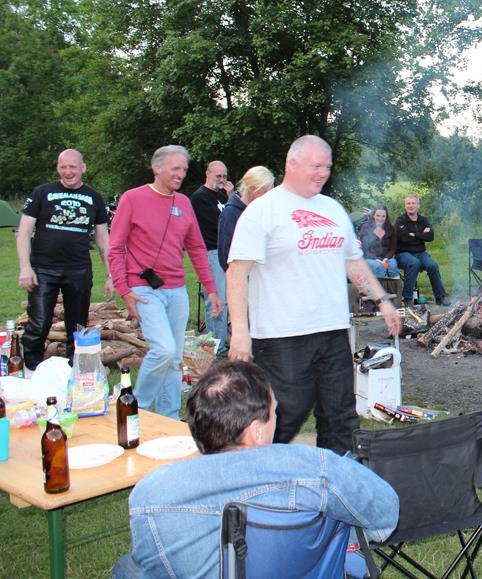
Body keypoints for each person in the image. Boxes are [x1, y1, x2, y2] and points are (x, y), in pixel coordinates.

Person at [115, 361, 399, 578]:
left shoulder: (149, 496)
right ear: (256, 431)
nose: (277, 419)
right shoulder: (314, 468)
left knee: (127, 568)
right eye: (274, 413)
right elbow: (385, 514)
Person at [227, 135, 401, 456]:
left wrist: (383, 301)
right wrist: (239, 331)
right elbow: (237, 271)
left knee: (340, 414)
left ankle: (338, 475)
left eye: (328, 167)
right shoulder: (263, 210)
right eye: (316, 166)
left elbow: (353, 262)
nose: (323, 173)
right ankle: (253, 469)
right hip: (281, 335)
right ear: (291, 164)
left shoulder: (332, 209)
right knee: (283, 415)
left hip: (332, 330)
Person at [109, 145, 221, 418]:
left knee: (174, 358)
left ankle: (169, 416)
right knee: (163, 350)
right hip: (143, 288)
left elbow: (196, 248)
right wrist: (124, 290)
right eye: (175, 168)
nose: (181, 174)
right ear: (157, 168)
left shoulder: (183, 203)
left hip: (176, 289)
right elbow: (115, 248)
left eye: (184, 169)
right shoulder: (132, 198)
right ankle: (137, 409)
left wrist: (211, 289)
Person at [16, 149, 112, 370]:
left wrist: (111, 274)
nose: (68, 172)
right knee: (38, 324)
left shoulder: (94, 197)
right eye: (63, 167)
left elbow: (103, 238)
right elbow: (23, 232)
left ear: (83, 168)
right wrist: (24, 267)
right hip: (43, 270)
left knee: (77, 326)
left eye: (72, 167)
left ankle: (74, 371)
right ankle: (31, 370)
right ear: (58, 168)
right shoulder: (42, 192)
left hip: (78, 270)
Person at [190, 161, 231, 354]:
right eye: (218, 176)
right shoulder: (200, 197)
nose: (222, 180)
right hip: (211, 252)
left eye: (225, 176)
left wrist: (230, 196)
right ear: (207, 174)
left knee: (226, 300)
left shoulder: (223, 196)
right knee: (216, 300)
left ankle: (219, 343)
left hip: (226, 252)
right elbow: (220, 223)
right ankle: (215, 347)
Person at [217, 166, 275, 272]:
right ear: (252, 189)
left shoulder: (264, 211)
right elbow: (225, 257)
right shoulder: (230, 214)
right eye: (265, 192)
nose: (269, 198)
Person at [394, 195, 450, 306]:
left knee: (432, 265)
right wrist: (421, 235)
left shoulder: (423, 220)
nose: (410, 206)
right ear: (405, 206)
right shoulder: (400, 221)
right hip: (403, 253)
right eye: (408, 203)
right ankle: (407, 298)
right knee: (414, 263)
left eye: (413, 203)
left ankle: (440, 297)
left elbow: (430, 236)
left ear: (418, 205)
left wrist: (414, 235)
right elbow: (403, 238)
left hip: (420, 253)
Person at [358, 204, 400, 279]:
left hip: (386, 258)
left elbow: (393, 248)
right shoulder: (366, 227)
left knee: (393, 265)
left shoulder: (390, 229)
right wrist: (376, 259)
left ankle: (394, 286)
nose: (380, 218)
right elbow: (364, 249)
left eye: (383, 216)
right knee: (379, 266)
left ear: (386, 217)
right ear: (373, 216)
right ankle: (379, 286)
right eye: (378, 215)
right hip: (369, 258)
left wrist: (386, 258)